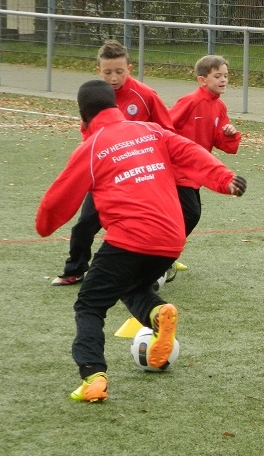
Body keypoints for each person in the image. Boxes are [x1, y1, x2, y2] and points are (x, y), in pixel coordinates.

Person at [36, 80, 247, 402]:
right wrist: (224, 179)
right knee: (132, 286)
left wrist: (44, 225)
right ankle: (157, 313)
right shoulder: (150, 131)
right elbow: (191, 153)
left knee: (90, 304)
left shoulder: (91, 148)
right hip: (171, 238)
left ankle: (93, 376)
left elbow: (58, 199)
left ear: (82, 115)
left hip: (130, 238)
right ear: (115, 106)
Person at [51, 40, 174, 286]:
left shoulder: (146, 96)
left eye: (119, 71)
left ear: (129, 68)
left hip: (141, 175)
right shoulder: (94, 99)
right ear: (99, 71)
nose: (114, 78)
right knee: (85, 224)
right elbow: (88, 135)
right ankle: (75, 269)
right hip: (108, 175)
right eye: (107, 72)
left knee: (148, 223)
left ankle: (160, 265)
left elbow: (167, 132)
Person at [170, 55, 242, 238]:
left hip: (195, 170)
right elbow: (165, 125)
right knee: (190, 214)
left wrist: (230, 135)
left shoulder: (219, 107)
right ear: (202, 80)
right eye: (217, 76)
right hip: (177, 169)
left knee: (187, 215)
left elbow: (224, 144)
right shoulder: (191, 101)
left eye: (226, 76)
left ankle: (164, 249)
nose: (223, 80)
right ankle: (162, 249)